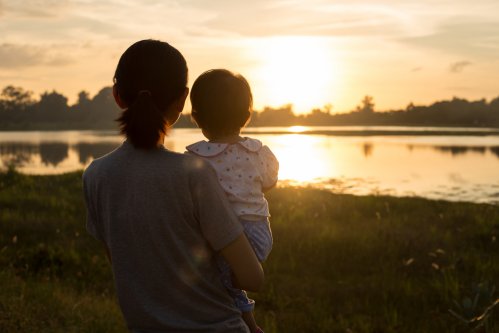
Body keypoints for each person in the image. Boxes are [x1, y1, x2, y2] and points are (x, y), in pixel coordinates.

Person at [82, 39, 263, 333]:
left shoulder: (95, 175)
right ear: (182, 100)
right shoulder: (194, 174)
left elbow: (125, 266)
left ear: (117, 96)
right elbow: (253, 279)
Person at [186, 69, 279, 333]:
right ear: (246, 114)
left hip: (227, 234)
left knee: (221, 282)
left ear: (197, 116)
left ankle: (249, 325)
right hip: (261, 233)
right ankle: (248, 323)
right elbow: (270, 183)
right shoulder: (258, 151)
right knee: (228, 282)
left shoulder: (196, 158)